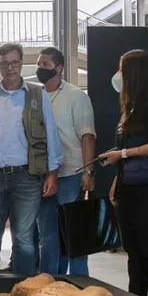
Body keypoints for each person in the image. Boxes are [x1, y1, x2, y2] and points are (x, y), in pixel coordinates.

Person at [0, 43, 64, 276]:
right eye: (4, 63)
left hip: (27, 177)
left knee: (24, 240)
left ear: (21, 64)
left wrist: (52, 173)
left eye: (14, 62)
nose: (9, 68)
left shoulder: (37, 95)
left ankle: (22, 289)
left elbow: (51, 134)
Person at [101, 50, 148, 296]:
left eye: (122, 69)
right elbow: (124, 155)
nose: (118, 75)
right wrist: (116, 180)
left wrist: (123, 154)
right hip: (128, 188)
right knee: (133, 249)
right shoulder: (129, 107)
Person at [34, 47, 96, 275]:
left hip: (71, 172)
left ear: (58, 68)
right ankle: (50, 281)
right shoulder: (35, 97)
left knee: (73, 232)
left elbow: (87, 134)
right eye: (39, 64)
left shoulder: (76, 96)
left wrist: (88, 172)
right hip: (42, 175)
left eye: (45, 64)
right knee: (47, 233)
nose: (40, 68)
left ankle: (80, 282)